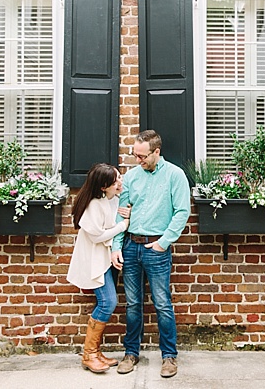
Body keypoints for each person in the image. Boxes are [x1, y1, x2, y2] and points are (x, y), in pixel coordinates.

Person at [111, 130, 190, 378]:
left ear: (156, 152)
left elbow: (181, 212)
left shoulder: (175, 176)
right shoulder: (131, 177)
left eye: (143, 156)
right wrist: (116, 246)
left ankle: (169, 357)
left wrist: (163, 243)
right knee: (133, 304)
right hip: (131, 247)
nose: (138, 160)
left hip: (156, 248)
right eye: (135, 155)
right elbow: (120, 212)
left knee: (162, 304)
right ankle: (131, 353)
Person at [67, 163, 131, 373]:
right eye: (116, 181)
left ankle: (95, 352)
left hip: (106, 258)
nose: (120, 182)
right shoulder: (94, 204)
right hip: (96, 259)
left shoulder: (110, 199)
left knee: (106, 302)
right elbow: (96, 235)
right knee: (108, 302)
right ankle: (89, 354)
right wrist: (123, 225)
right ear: (104, 186)